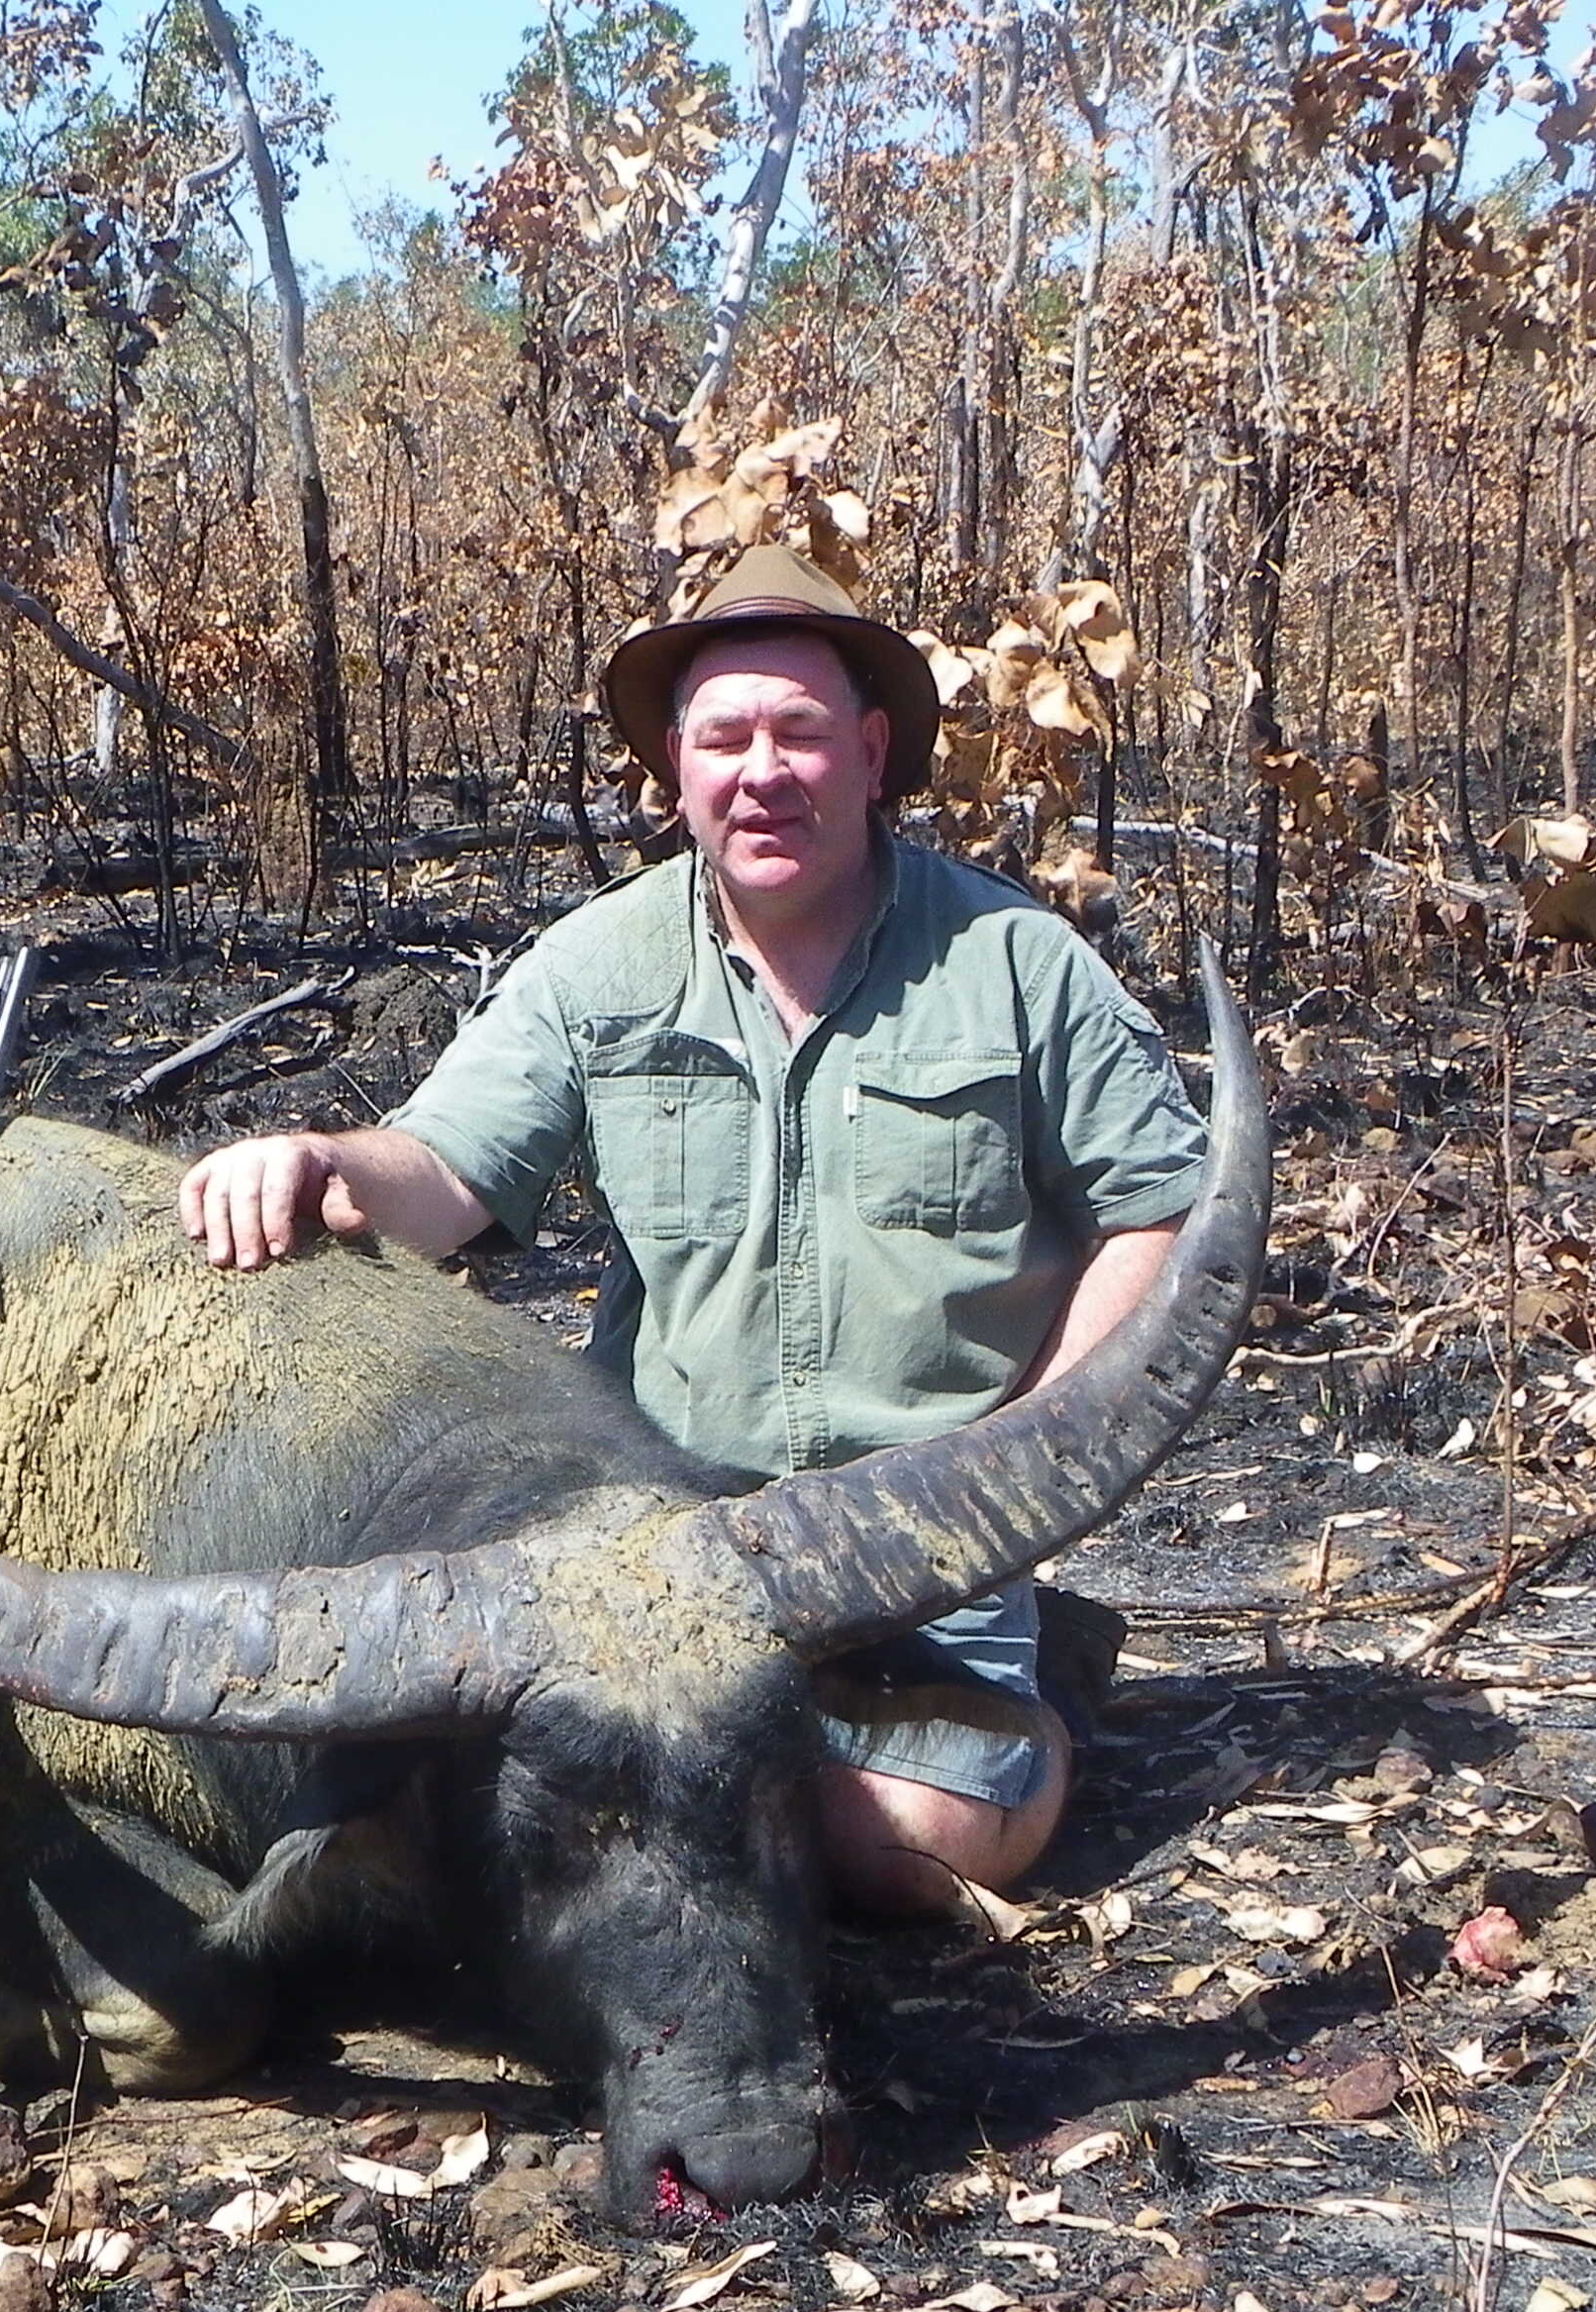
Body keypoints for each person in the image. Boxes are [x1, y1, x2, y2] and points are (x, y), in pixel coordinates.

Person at [176, 545, 1208, 1915]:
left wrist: (1031, 1456)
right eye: (725, 737)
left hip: (925, 1539)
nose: (762, 770)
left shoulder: (1016, 962)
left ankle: (1033, 1700)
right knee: (464, 1820)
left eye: (801, 732)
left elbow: (1160, 1208)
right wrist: (319, 1162)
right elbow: (445, 1171)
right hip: (654, 1535)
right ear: (678, 765)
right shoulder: (598, 961)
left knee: (896, 1851)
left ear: (872, 749)